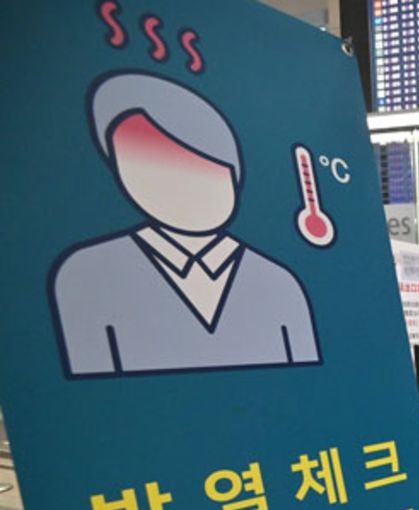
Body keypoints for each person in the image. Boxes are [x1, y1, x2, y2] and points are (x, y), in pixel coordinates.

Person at [51, 72, 319, 378]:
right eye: (147, 162)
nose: (178, 188)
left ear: (233, 177)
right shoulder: (87, 275)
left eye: (201, 168)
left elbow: (319, 385)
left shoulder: (279, 284)